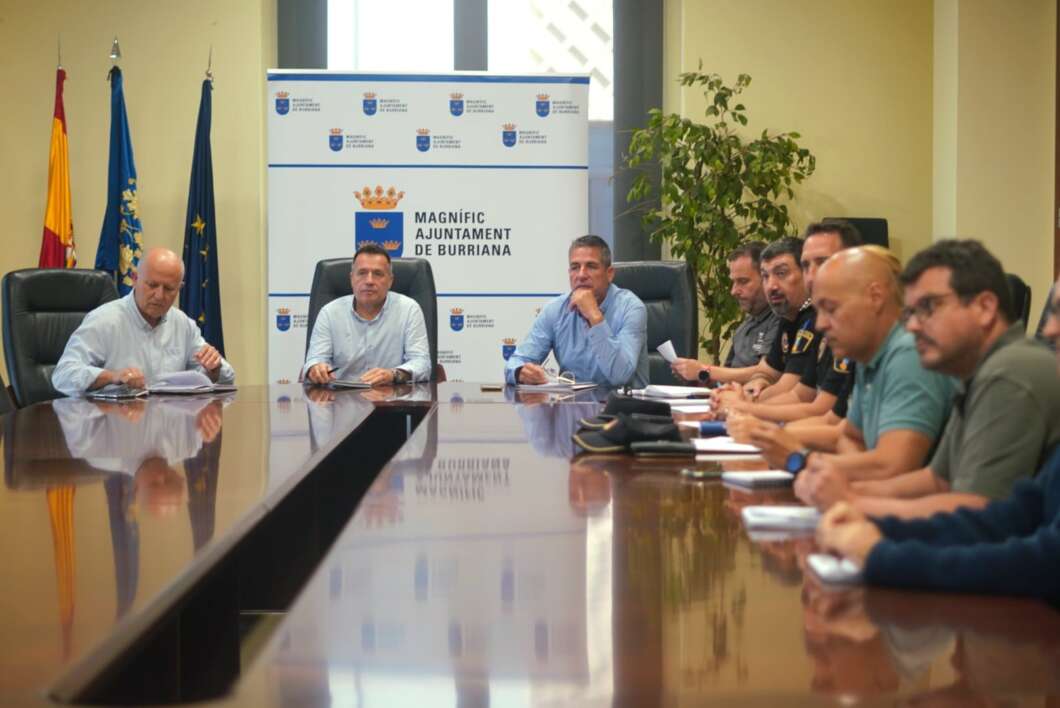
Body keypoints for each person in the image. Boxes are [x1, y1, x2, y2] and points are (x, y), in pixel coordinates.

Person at [799, 241, 1060, 518]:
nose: (912, 326)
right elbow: (937, 480)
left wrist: (850, 501)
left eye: (928, 307)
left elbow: (978, 511)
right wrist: (844, 492)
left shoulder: (1009, 371)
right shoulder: (976, 371)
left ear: (985, 307)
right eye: (911, 312)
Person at [783, 246, 956, 483]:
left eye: (830, 309)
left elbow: (892, 467)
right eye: (818, 311)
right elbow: (851, 438)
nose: (820, 324)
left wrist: (798, 458)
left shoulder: (909, 354)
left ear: (875, 297)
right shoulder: (868, 354)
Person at [719, 220, 862, 421]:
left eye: (823, 262)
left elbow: (821, 413)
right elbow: (804, 398)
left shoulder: (863, 331)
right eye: (806, 265)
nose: (811, 275)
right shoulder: (810, 319)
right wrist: (745, 402)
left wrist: (742, 408)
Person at [52, 247, 234, 396]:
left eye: (169, 288)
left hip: (169, 423)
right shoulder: (104, 320)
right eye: (152, 285)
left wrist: (214, 369)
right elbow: (63, 375)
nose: (159, 295)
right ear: (135, 279)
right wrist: (112, 377)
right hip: (116, 424)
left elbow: (227, 378)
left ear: (180, 288)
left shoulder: (183, 324)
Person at [504, 235, 648, 388]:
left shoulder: (631, 308)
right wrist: (521, 372)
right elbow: (516, 362)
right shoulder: (555, 309)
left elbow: (620, 376)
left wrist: (594, 316)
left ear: (609, 274)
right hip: (572, 401)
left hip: (621, 403)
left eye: (591, 266)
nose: (581, 275)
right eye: (575, 267)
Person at [303, 243, 431, 386]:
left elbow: (422, 363)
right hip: (339, 397)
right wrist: (315, 369)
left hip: (391, 396)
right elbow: (315, 359)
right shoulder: (329, 313)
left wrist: (393, 374)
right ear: (352, 278)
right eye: (362, 273)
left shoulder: (409, 309)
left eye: (378, 274)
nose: (369, 281)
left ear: (390, 281)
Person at [670, 241, 778, 376]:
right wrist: (699, 377)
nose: (733, 291)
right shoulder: (744, 327)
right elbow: (725, 377)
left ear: (767, 278)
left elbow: (766, 374)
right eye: (733, 282)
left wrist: (704, 370)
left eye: (743, 281)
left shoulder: (780, 321)